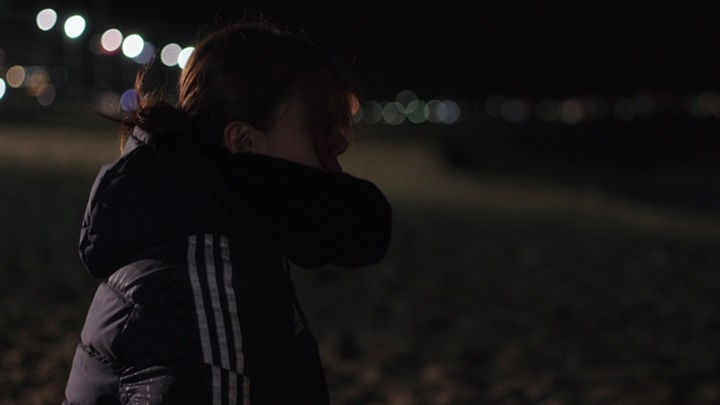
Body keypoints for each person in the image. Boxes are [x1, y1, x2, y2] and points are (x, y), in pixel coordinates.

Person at [63, 19, 392, 404]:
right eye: (319, 126)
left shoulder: (220, 240)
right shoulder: (198, 287)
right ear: (243, 141)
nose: (339, 145)